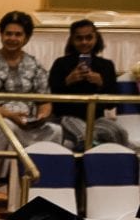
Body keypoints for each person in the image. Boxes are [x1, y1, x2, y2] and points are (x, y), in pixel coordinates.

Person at [0, 10, 63, 190]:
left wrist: (41, 116)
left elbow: (45, 99)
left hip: (28, 122)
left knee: (55, 130)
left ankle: (42, 182)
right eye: (8, 34)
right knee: (6, 127)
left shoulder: (34, 64)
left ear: (26, 38)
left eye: (18, 34)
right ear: (1, 35)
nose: (12, 38)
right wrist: (9, 115)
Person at [50, 18, 127, 149]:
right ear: (72, 40)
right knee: (85, 136)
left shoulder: (106, 65)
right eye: (79, 38)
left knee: (120, 133)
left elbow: (112, 103)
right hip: (67, 117)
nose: (84, 42)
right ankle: (91, 156)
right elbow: (51, 98)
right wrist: (67, 82)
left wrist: (101, 83)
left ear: (96, 39)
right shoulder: (61, 64)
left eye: (89, 38)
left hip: (96, 118)